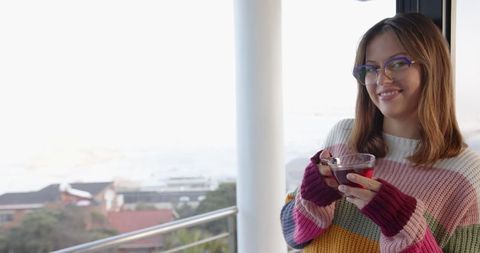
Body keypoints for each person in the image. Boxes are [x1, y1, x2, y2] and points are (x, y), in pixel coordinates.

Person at [280, 12, 480, 253]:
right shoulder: (344, 136)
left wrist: (401, 223)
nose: (381, 79)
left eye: (397, 63)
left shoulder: (466, 175)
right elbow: (294, 235)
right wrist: (312, 196)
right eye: (371, 69)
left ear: (432, 68)